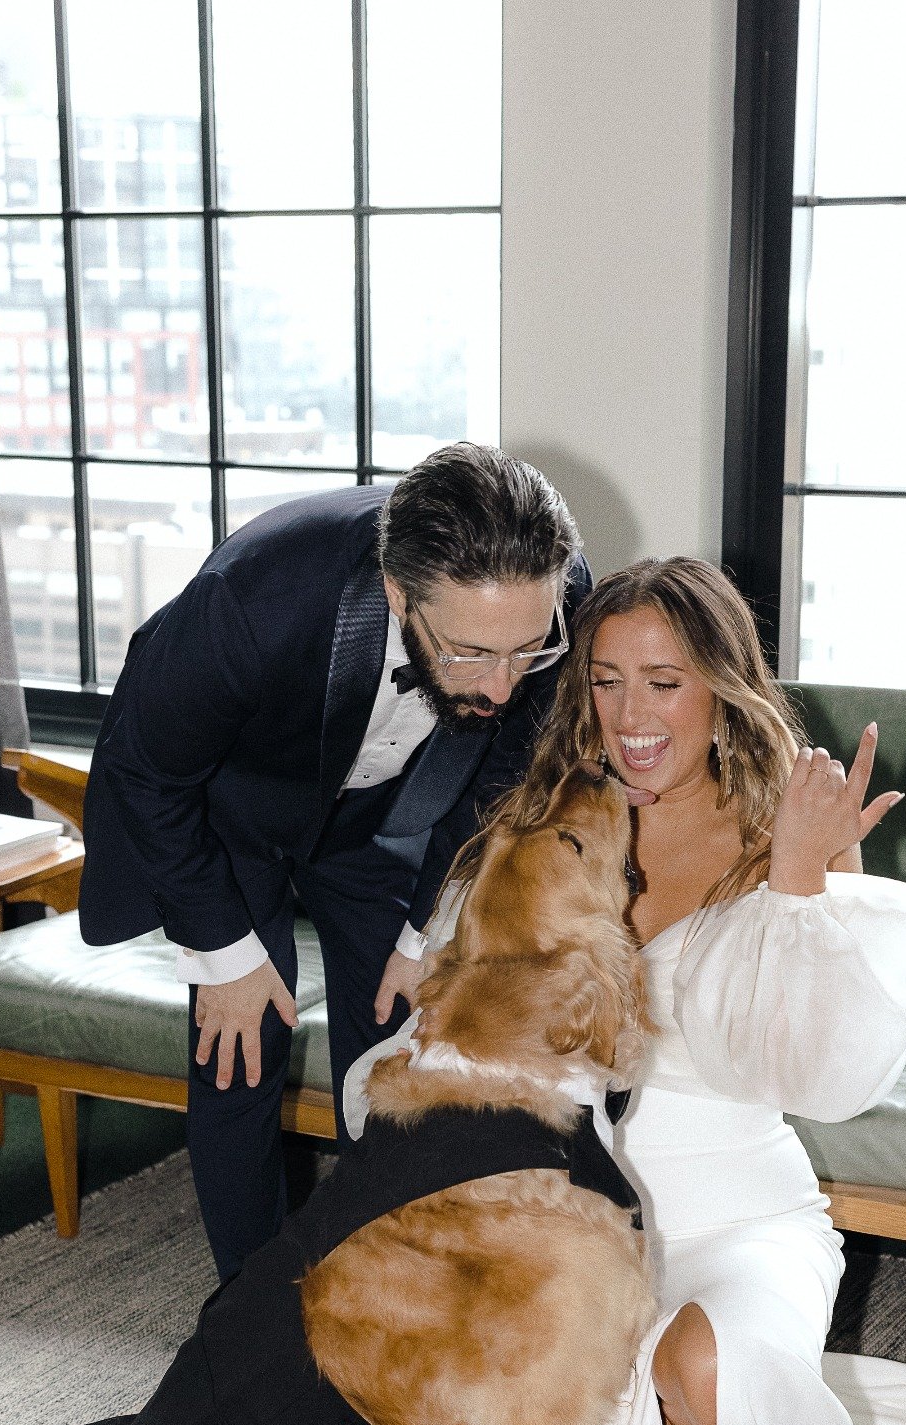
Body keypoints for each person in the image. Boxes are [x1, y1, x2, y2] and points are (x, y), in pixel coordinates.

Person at [346, 556, 906, 1425]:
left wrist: (804, 883)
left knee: (712, 1373)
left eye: (664, 680)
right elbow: (457, 1041)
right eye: (607, 679)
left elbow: (828, 1078)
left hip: (741, 1212)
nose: (632, 712)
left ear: (720, 686)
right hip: (565, 1225)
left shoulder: (788, 831)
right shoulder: (547, 825)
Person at [78, 444, 590, 1280]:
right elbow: (149, 769)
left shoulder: (552, 594)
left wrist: (427, 930)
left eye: (523, 652)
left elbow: (500, 778)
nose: (501, 688)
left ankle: (383, 1285)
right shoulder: (256, 596)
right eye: (470, 653)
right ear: (398, 593)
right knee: (240, 1048)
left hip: (376, 818)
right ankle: (253, 1309)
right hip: (230, 811)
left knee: (404, 1042)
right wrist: (227, 957)